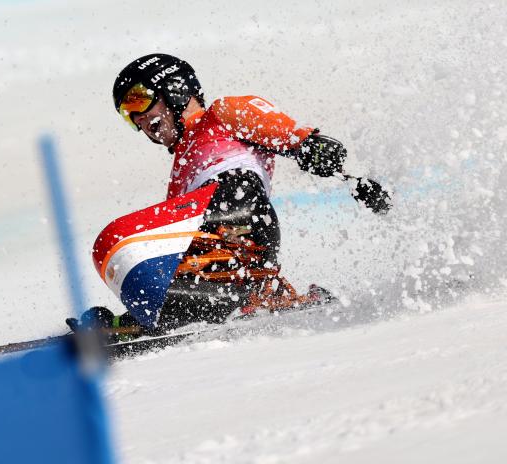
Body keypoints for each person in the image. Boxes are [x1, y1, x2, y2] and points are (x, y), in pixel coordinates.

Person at [69, 53, 391, 339]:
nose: (138, 119)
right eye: (128, 114)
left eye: (138, 100)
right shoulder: (180, 172)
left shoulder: (222, 115)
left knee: (118, 240)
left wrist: (317, 151)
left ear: (175, 88)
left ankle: (257, 290)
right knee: (122, 252)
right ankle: (179, 311)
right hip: (214, 229)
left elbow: (288, 134)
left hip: (239, 207)